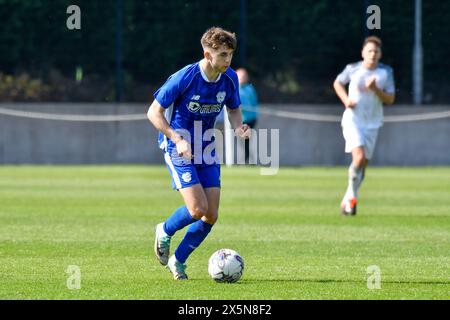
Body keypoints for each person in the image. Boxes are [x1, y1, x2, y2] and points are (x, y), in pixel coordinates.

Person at [147, 27, 251, 280]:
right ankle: (164, 229)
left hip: (205, 146)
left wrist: (239, 127)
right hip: (178, 146)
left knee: (211, 214)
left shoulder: (230, 79)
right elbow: (153, 113)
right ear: (208, 54)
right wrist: (176, 138)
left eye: (230, 55)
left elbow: (234, 109)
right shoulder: (185, 77)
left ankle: (178, 261)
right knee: (196, 209)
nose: (228, 60)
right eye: (223, 55)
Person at [333, 36, 395, 216]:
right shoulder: (353, 69)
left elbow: (390, 99)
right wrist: (346, 100)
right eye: (369, 51)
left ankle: (348, 199)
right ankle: (352, 198)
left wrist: (376, 89)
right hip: (353, 119)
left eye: (376, 51)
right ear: (363, 53)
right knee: (358, 158)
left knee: (363, 167)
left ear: (380, 54)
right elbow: (337, 83)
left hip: (373, 123)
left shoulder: (385, 72)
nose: (373, 54)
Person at [236, 68, 259, 164]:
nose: (242, 78)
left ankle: (248, 160)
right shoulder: (233, 88)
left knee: (247, 140)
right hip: (236, 119)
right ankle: (246, 159)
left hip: (249, 119)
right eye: (240, 76)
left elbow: (254, 104)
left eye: (244, 76)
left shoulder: (250, 89)